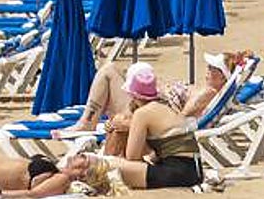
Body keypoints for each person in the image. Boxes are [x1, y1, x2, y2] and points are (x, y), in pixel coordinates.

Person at [55, 54, 239, 140]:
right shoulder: (209, 92)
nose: (207, 69)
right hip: (148, 105)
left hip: (146, 112)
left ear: (223, 77)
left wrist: (152, 103)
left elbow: (179, 120)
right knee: (114, 72)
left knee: (108, 71)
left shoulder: (207, 93)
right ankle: (89, 119)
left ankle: (87, 122)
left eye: (213, 68)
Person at [97, 67, 206, 189]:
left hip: (177, 173)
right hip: (195, 171)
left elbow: (132, 157)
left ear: (133, 95)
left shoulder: (142, 114)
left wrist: (127, 130)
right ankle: (106, 157)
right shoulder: (165, 107)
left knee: (109, 166)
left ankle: (104, 157)